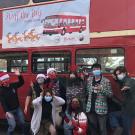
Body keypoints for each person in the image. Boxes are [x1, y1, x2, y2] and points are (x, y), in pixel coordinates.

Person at [86, 63, 112, 135]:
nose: (96, 71)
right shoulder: (89, 80)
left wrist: (101, 89)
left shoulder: (106, 81)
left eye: (97, 69)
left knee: (102, 129)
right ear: (92, 71)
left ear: (100, 70)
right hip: (90, 108)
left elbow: (110, 95)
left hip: (101, 109)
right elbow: (87, 92)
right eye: (94, 69)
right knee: (93, 129)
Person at [0, 69, 26, 135]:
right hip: (9, 111)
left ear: (8, 79)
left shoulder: (13, 85)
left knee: (22, 122)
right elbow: (3, 102)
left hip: (17, 108)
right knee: (12, 126)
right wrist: (6, 112)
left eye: (6, 79)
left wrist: (19, 75)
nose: (5, 81)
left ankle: (23, 132)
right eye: (3, 80)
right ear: (1, 81)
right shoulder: (1, 90)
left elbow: (22, 82)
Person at [113, 66, 135, 135]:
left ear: (124, 73)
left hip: (129, 110)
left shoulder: (130, 80)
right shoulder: (122, 81)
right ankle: (117, 127)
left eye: (119, 74)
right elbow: (120, 81)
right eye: (117, 74)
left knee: (126, 130)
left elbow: (128, 84)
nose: (118, 76)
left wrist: (126, 87)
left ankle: (117, 127)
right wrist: (115, 79)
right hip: (125, 109)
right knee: (112, 115)